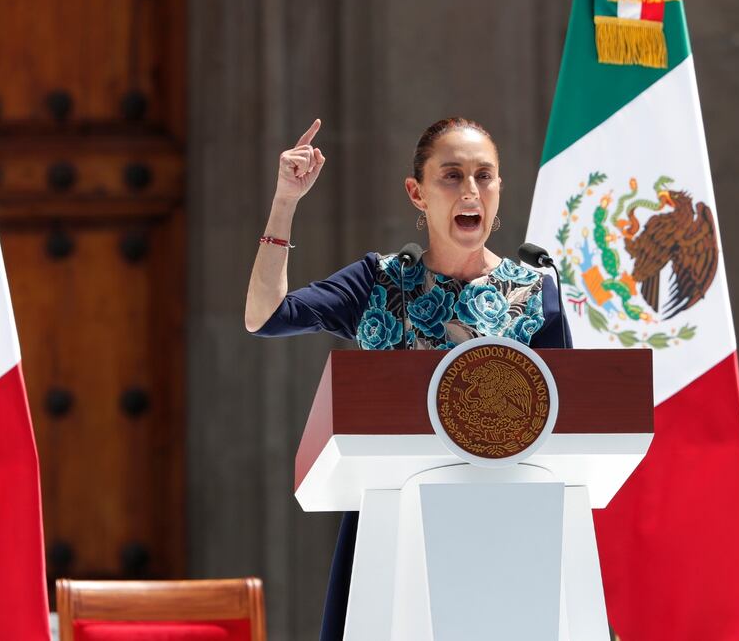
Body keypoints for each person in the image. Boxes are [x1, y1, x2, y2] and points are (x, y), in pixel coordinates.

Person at [244, 116, 572, 641]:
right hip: (390, 529)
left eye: (484, 176)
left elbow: (567, 427)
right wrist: (285, 202)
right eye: (452, 176)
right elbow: (265, 316)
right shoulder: (378, 282)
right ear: (417, 194)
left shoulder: (536, 291)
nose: (471, 191)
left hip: (508, 533)